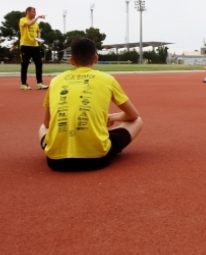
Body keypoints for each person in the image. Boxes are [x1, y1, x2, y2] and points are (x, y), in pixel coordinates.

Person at [39, 38, 143, 172]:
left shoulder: (55, 81)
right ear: (96, 59)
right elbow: (133, 115)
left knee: (42, 128)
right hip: (97, 159)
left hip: (56, 162)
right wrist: (113, 117)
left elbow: (47, 124)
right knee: (138, 121)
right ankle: (97, 140)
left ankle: (61, 147)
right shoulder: (107, 79)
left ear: (71, 61)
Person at [19, 7, 48, 90]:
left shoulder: (35, 23)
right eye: (33, 12)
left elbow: (38, 31)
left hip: (35, 46)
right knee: (25, 65)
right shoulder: (23, 20)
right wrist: (38, 17)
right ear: (28, 12)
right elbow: (28, 24)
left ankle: (39, 83)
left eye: (35, 12)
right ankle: (24, 84)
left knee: (39, 63)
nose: (35, 13)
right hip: (25, 45)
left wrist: (38, 37)